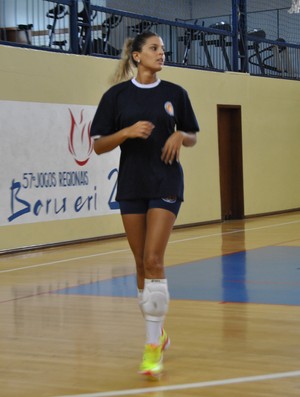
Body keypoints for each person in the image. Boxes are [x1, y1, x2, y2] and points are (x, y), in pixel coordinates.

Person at [90, 31, 199, 379]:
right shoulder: (116, 96)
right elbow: (98, 145)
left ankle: (152, 348)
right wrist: (126, 133)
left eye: (163, 50)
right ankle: (159, 334)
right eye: (154, 49)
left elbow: (193, 133)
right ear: (137, 56)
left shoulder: (175, 94)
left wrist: (180, 135)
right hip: (132, 184)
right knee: (139, 262)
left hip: (166, 182)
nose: (161, 54)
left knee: (154, 258)